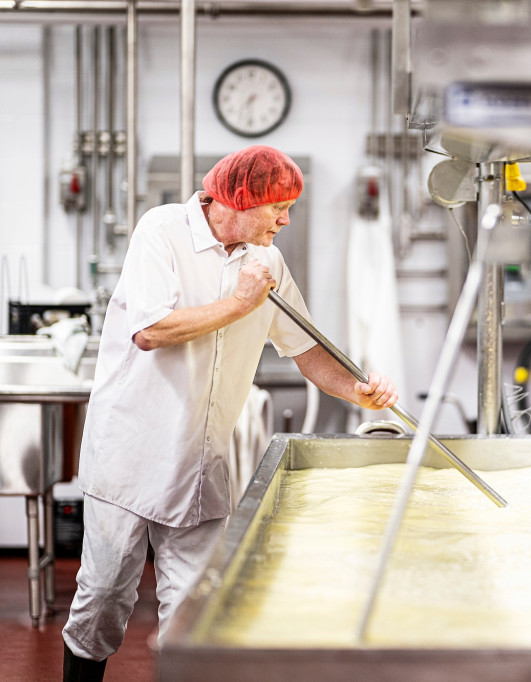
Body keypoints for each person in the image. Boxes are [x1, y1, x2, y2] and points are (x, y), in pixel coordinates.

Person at [62, 145, 398, 680]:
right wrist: (240, 305)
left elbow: (307, 350)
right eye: (277, 208)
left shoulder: (268, 262)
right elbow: (151, 331)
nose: (286, 220)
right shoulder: (162, 231)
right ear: (240, 200)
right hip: (130, 452)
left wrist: (359, 391)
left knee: (196, 617)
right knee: (103, 600)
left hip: (201, 460)